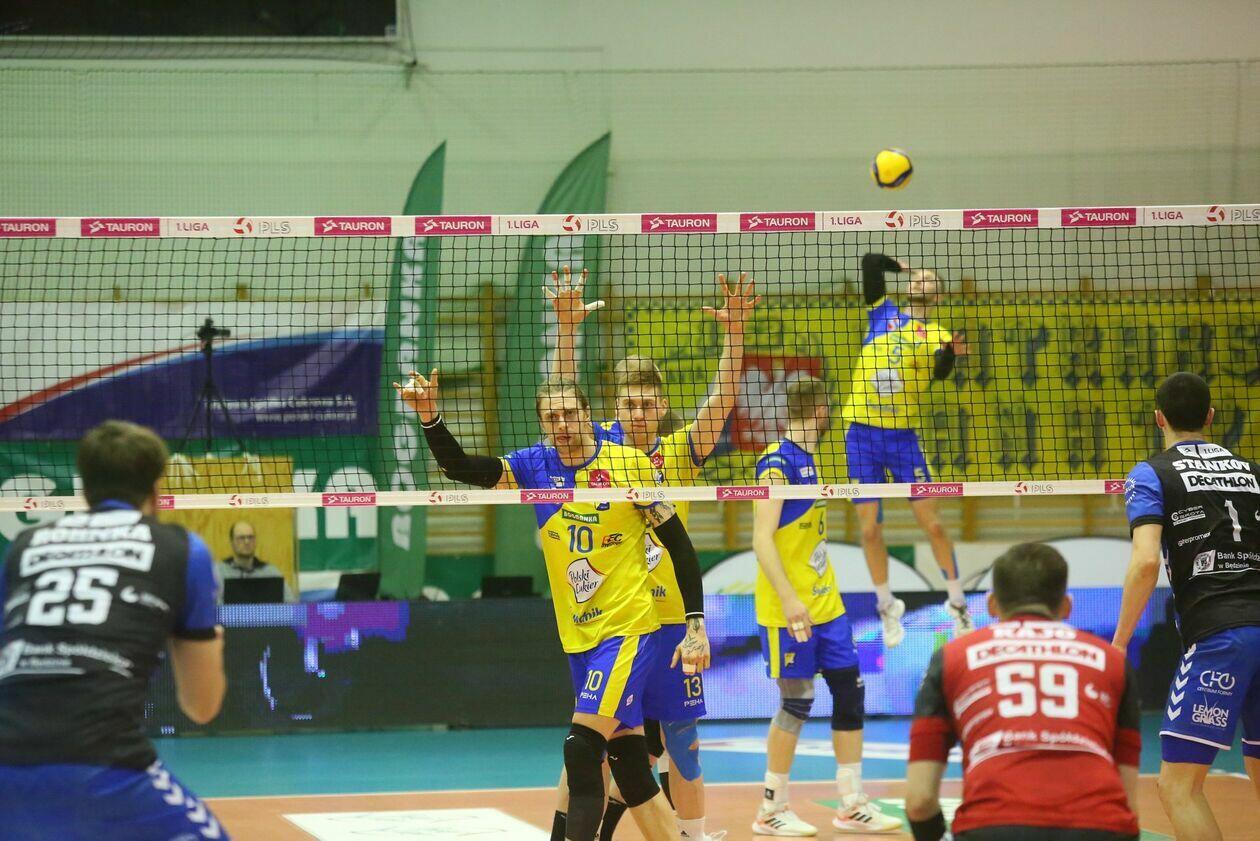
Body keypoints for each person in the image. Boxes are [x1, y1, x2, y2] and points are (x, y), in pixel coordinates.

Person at [396, 371, 710, 841]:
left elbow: (679, 546)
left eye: (569, 414)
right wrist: (429, 416)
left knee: (581, 749)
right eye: (551, 417)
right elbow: (459, 467)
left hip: (627, 629)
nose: (561, 424)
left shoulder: (630, 465)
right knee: (629, 764)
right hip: (578, 636)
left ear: (588, 415)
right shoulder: (533, 465)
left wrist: (694, 624)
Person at [547, 265, 757, 840]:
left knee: (681, 741)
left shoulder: (680, 451)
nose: (636, 414)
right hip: (618, 622)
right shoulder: (600, 450)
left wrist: (735, 333)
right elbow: (560, 402)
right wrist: (566, 331)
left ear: (662, 406)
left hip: (671, 622)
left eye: (645, 404)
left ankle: (693, 834)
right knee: (594, 745)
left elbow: (723, 399)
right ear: (614, 408)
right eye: (627, 404)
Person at [0, 420, 228, 840]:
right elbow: (201, 707)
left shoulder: (23, 547)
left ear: (84, 489)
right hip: (102, 763)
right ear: (157, 489)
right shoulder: (183, 550)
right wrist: (210, 640)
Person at [906, 542, 1140, 841]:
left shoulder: (953, 657)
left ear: (992, 604)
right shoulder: (1112, 662)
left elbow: (919, 801)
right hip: (1102, 829)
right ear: (1066, 606)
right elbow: (1129, 804)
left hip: (992, 829)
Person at [752, 376, 901, 835]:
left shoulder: (810, 460)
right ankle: (771, 809)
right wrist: (790, 598)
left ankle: (852, 803)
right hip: (788, 609)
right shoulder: (775, 465)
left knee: (850, 694)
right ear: (821, 411)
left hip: (828, 606)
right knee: (797, 701)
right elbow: (761, 539)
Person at [1114, 371, 1260, 841]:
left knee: (1177, 787)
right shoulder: (1253, 471)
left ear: (1159, 418)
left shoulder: (1150, 473)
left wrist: (1119, 644)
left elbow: (1144, 564)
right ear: (1211, 417)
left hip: (1219, 635)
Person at [842, 252, 973, 647]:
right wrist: (902, 267)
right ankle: (887, 607)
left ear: (938, 296)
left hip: (902, 438)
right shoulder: (882, 312)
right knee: (869, 529)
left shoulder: (937, 334)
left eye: (929, 280)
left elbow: (940, 370)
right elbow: (869, 263)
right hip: (861, 434)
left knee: (933, 525)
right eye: (919, 278)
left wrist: (949, 354)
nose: (921, 282)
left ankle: (957, 603)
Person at [216, 520, 294, 602]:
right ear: (232, 542)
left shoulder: (271, 572)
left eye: (250, 537)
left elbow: (291, 603)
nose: (247, 542)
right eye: (241, 538)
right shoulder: (218, 572)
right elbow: (211, 605)